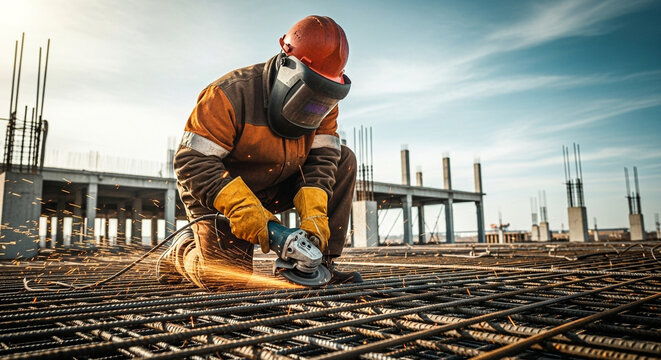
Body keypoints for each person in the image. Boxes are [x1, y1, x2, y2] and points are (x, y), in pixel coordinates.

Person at [157, 15, 362, 289]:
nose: (315, 104)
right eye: (310, 89)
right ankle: (182, 251)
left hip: (278, 183)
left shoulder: (324, 104)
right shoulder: (228, 94)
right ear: (287, 64)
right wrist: (244, 209)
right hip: (222, 193)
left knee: (343, 160)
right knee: (225, 281)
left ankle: (318, 263)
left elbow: (323, 160)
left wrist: (314, 216)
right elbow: (191, 162)